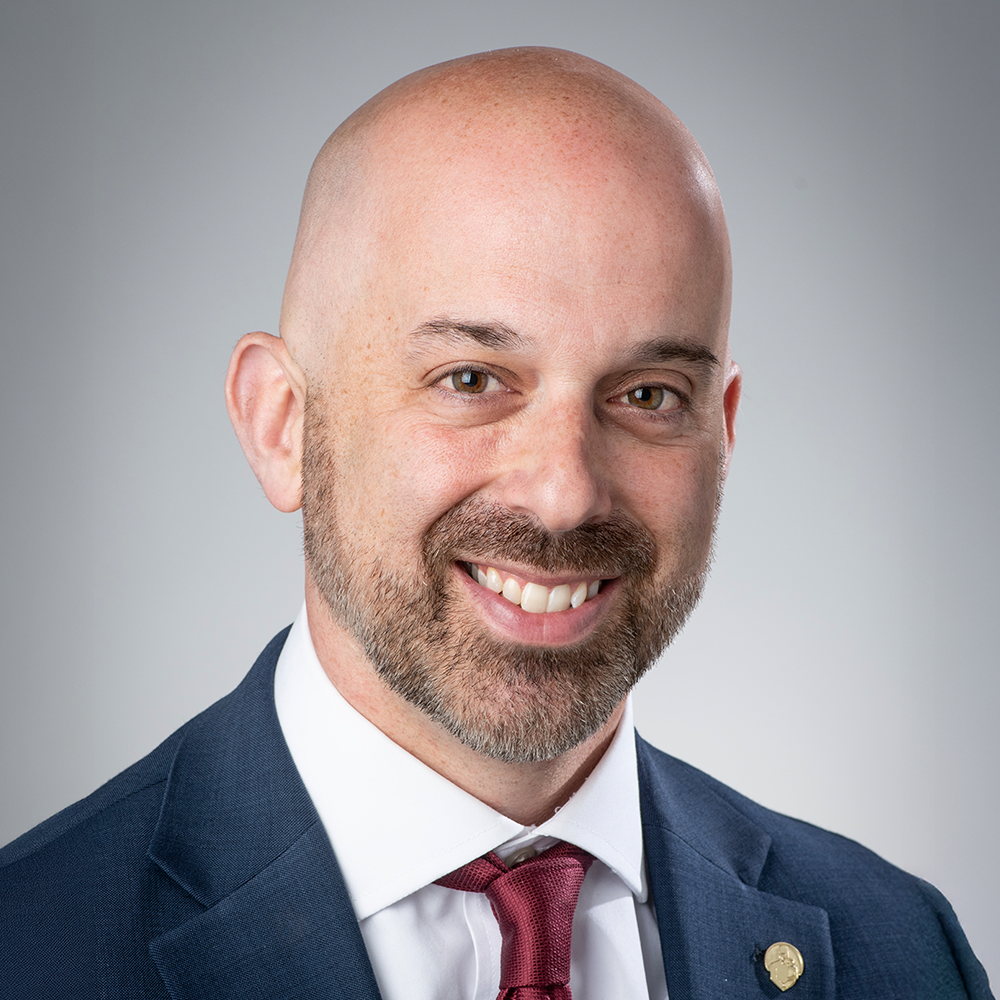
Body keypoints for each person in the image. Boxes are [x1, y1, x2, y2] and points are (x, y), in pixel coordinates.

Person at [0, 47, 991, 1000]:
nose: (564, 493)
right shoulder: (28, 948)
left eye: (646, 395)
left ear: (721, 433)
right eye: (470, 380)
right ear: (282, 425)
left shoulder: (900, 951)